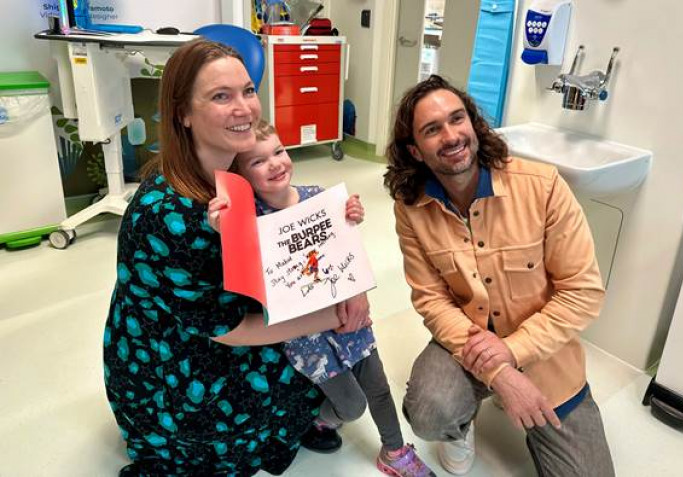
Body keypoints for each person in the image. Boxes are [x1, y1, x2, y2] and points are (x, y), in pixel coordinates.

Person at [103, 39, 369, 476]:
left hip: (225, 313)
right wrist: (333, 315)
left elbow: (292, 235)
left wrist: (349, 273)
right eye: (220, 96)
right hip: (173, 358)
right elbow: (229, 331)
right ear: (182, 114)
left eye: (247, 90)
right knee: (276, 386)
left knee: (302, 368)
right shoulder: (168, 214)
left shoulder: (234, 169)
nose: (244, 107)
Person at [384, 74, 615, 477]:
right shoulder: (410, 207)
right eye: (432, 129)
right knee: (429, 412)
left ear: (474, 124)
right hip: (466, 338)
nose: (451, 136)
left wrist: (513, 351)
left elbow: (583, 292)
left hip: (543, 349)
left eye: (458, 119)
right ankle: (459, 428)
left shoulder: (542, 187)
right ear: (415, 151)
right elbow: (431, 299)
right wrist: (499, 373)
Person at [207, 119, 435, 477]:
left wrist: (351, 219)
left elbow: (346, 250)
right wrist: (225, 229)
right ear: (242, 176)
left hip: (349, 318)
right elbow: (240, 269)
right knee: (352, 407)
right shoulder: (251, 219)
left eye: (279, 152)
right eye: (258, 162)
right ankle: (319, 421)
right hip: (305, 338)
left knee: (378, 388)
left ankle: (395, 452)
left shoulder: (318, 197)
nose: (275, 163)